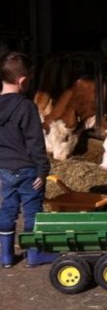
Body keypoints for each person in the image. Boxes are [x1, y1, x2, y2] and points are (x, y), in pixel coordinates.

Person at [0, 51, 59, 267]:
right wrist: (43, 170)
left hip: (4, 170)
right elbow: (35, 142)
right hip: (28, 170)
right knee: (33, 209)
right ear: (22, 80)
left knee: (8, 208)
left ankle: (6, 256)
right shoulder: (26, 107)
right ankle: (34, 254)